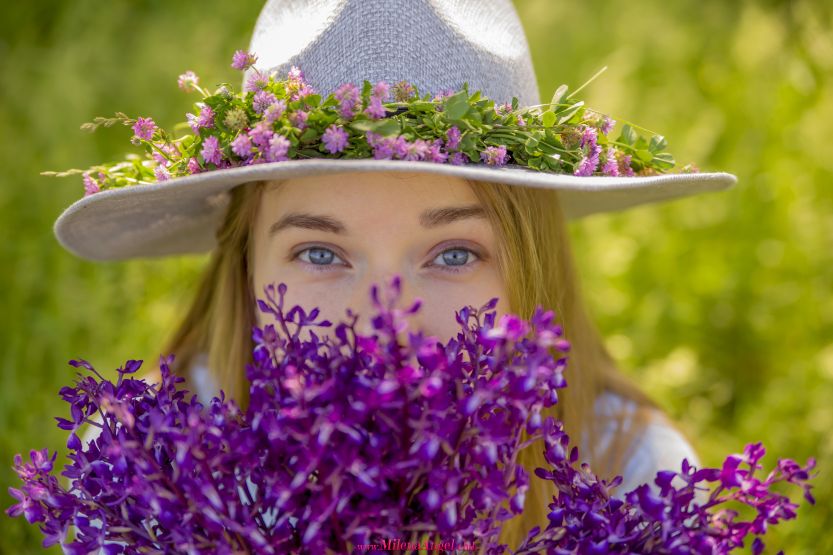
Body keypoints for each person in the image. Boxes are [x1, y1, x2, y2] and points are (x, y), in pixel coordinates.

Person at [59, 0, 737, 551]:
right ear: (243, 267)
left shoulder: (633, 472)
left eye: (452, 253)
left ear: (530, 264)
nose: (384, 322)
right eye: (321, 254)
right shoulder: (145, 465)